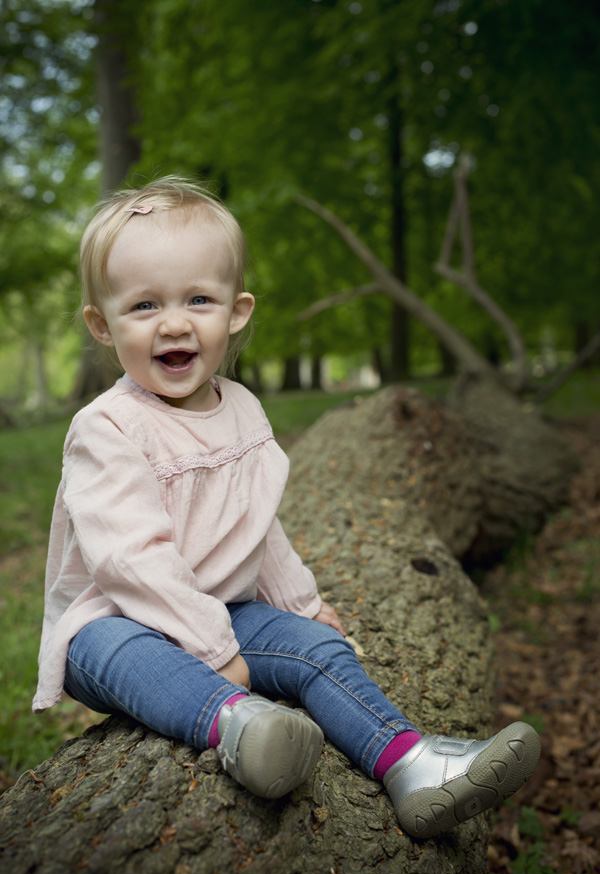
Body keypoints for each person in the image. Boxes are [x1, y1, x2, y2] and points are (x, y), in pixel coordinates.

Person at [33, 176, 540, 839]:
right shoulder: (109, 429)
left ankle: (409, 762)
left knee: (319, 649)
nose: (176, 322)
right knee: (111, 643)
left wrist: (301, 608)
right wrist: (216, 654)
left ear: (237, 311)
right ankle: (240, 725)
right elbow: (130, 561)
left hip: (225, 609)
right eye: (144, 305)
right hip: (119, 616)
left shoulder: (242, 409)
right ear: (102, 325)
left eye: (198, 299)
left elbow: (256, 526)